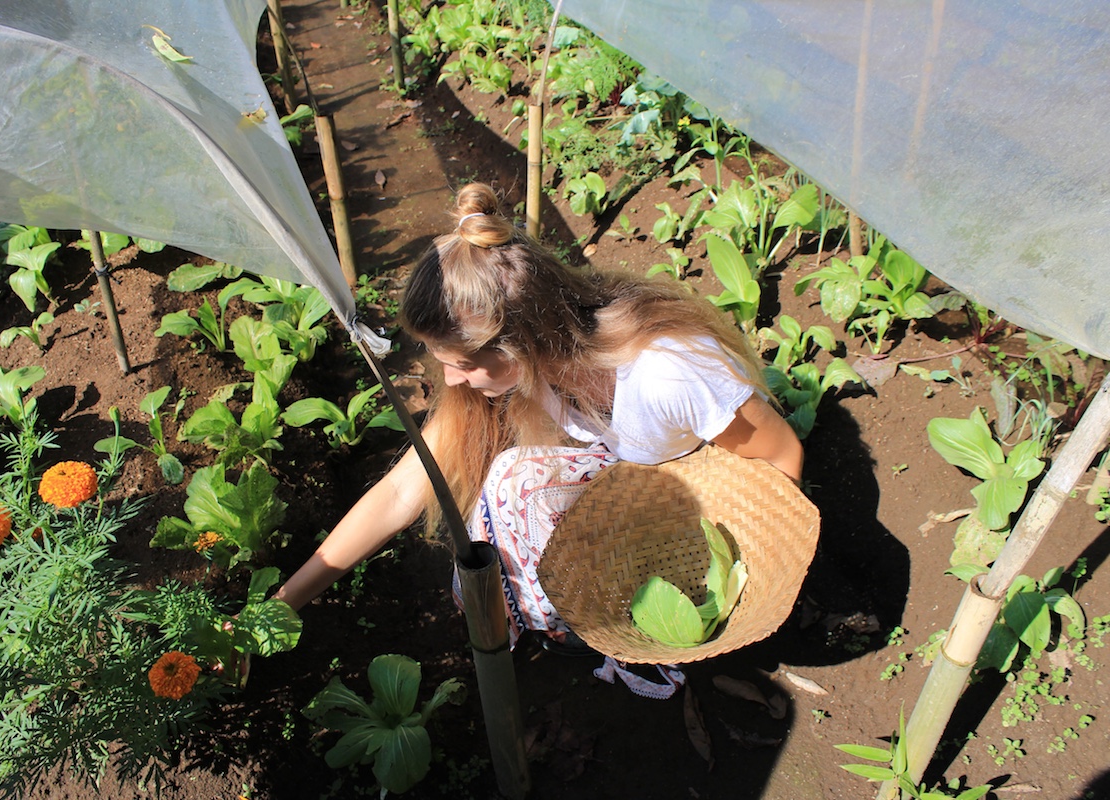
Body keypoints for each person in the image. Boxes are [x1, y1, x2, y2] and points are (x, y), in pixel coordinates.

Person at [274, 182, 803, 651]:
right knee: (508, 487)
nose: (451, 381)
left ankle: (614, 636)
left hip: (697, 498)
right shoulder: (535, 364)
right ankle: (579, 622)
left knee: (513, 484)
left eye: (460, 365)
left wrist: (742, 576)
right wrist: (281, 604)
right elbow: (400, 491)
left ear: (519, 346)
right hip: (629, 481)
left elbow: (782, 455)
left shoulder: (668, 372)